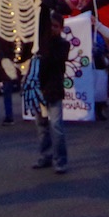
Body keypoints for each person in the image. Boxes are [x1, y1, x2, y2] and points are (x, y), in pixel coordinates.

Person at [32, 11, 69, 173]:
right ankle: (44, 156)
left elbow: (53, 61)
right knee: (41, 126)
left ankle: (60, 160)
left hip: (53, 89)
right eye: (50, 25)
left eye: (55, 26)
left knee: (56, 126)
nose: (52, 29)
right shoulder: (38, 43)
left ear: (61, 28)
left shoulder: (62, 44)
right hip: (38, 89)